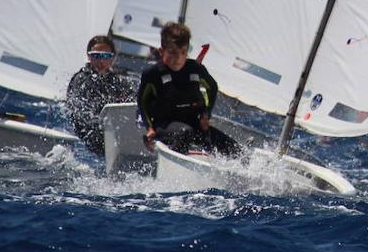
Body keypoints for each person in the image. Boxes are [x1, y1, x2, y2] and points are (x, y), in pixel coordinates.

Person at [137, 22, 240, 157]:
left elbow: (212, 88)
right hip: (163, 127)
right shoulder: (152, 74)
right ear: (161, 51)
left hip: (193, 124)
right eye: (172, 52)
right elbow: (142, 103)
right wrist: (149, 129)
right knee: (185, 133)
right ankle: (178, 163)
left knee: (234, 149)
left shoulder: (195, 69)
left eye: (183, 52)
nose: (178, 58)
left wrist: (206, 114)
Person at [65, 35, 136, 154]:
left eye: (106, 56)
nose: (101, 61)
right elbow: (79, 113)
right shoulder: (81, 80)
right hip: (87, 139)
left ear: (113, 58)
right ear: (89, 56)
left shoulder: (118, 82)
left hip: (110, 138)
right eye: (96, 56)